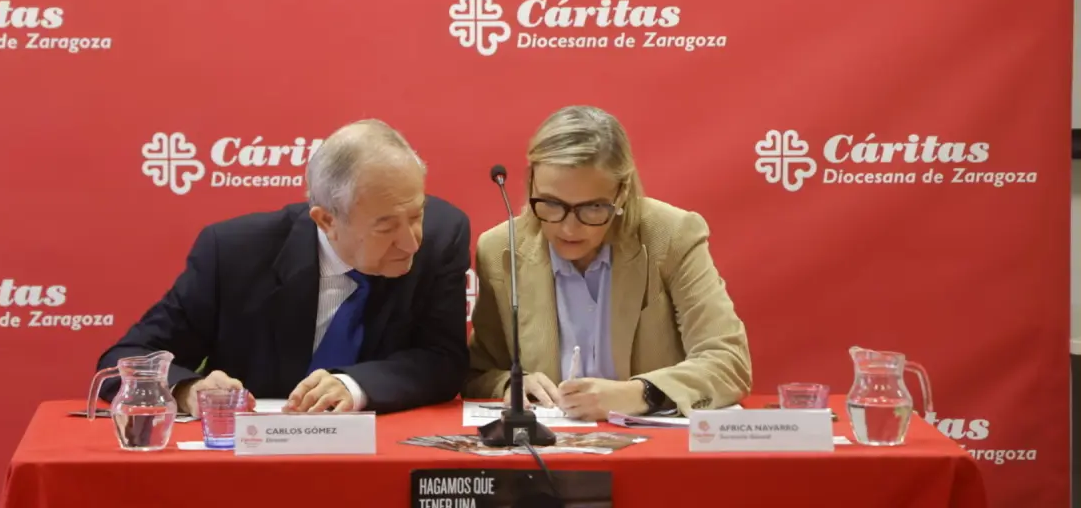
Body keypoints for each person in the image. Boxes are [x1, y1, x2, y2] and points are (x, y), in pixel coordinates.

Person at [96, 119, 472, 415]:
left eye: (416, 214)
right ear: (326, 220)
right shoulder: (234, 254)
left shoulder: (442, 235)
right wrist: (187, 390)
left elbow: (443, 359)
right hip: (256, 460)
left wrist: (354, 386)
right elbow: (124, 359)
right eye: (385, 227)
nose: (411, 242)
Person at [463, 106, 751, 420]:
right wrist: (510, 383)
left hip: (654, 444)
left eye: (592, 208)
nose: (568, 228)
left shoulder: (672, 236)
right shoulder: (500, 250)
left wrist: (640, 394)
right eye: (552, 204)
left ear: (622, 192)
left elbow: (728, 362)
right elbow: (477, 372)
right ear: (531, 182)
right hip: (549, 444)